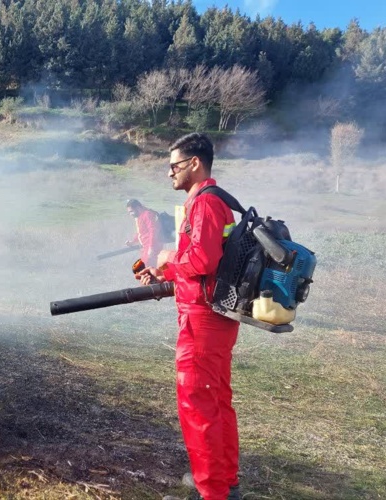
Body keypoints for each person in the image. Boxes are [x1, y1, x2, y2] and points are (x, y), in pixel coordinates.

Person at [136, 133, 241, 500]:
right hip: (212, 316)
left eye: (174, 166)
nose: (169, 174)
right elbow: (201, 263)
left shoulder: (205, 205)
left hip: (202, 322)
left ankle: (211, 491)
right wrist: (164, 273)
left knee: (198, 404)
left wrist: (166, 260)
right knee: (216, 400)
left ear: (195, 163)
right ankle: (224, 482)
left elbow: (201, 261)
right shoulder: (213, 201)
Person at [125, 198, 163, 268]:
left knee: (150, 269)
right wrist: (132, 242)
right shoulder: (140, 217)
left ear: (138, 208)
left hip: (152, 247)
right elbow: (141, 232)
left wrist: (151, 248)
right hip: (146, 248)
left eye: (131, 211)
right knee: (147, 269)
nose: (130, 214)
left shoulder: (147, 214)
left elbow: (153, 231)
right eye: (129, 212)